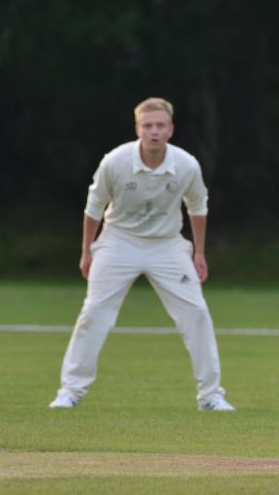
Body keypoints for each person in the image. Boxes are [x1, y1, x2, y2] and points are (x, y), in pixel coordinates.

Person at [48, 97, 234, 411]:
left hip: (167, 243)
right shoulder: (115, 161)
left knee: (197, 313)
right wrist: (87, 252)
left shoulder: (186, 165)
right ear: (138, 129)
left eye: (160, 125)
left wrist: (199, 253)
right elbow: (94, 207)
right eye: (147, 126)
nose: (154, 132)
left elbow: (197, 207)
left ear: (171, 130)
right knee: (94, 313)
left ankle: (211, 396)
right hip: (118, 240)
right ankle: (70, 392)